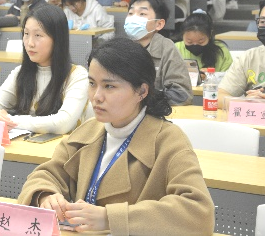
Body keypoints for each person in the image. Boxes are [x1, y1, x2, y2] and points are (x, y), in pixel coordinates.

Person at [17, 37, 215, 235]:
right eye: (92, 83)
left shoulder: (168, 141)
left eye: (109, 86)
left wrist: (109, 218)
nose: (96, 96)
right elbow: (47, 174)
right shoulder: (89, 130)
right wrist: (46, 196)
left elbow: (198, 212)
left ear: (142, 91)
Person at [0, 5, 89, 134]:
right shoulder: (20, 73)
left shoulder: (77, 76)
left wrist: (9, 120)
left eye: (38, 35)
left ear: (57, 39)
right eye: (26, 34)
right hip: (28, 144)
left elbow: (63, 124)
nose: (30, 43)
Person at [124, 0, 193, 105]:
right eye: (131, 13)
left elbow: (182, 94)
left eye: (142, 14)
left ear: (159, 24)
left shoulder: (167, 49)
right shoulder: (120, 49)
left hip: (154, 112)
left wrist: (144, 99)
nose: (133, 18)